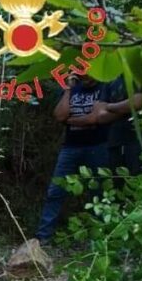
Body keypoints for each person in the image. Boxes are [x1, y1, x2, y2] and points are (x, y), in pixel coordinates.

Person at [34, 72, 110, 243]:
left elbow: (94, 118)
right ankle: (42, 238)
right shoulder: (72, 89)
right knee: (55, 191)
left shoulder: (104, 87)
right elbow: (60, 115)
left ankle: (98, 240)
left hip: (97, 146)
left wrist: (72, 120)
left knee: (97, 192)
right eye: (82, 74)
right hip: (70, 148)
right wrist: (68, 89)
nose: (86, 77)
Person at [90, 77, 142, 176]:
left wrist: (109, 107)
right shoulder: (110, 80)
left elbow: (138, 102)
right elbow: (99, 116)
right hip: (116, 142)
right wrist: (125, 108)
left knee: (141, 181)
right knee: (118, 185)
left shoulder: (140, 71)